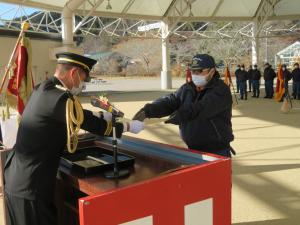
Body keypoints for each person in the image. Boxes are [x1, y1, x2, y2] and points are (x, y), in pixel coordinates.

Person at [3, 52, 144, 225]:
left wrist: (101, 114)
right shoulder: (61, 98)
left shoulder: (43, 88)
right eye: (84, 78)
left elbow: (75, 114)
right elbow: (94, 126)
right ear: (74, 73)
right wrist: (129, 126)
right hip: (32, 184)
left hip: (17, 178)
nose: (82, 84)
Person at [132, 54, 234, 157]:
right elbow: (170, 101)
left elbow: (201, 108)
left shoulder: (221, 91)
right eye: (193, 71)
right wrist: (148, 110)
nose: (195, 74)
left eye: (199, 71)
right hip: (192, 150)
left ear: (212, 71)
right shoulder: (187, 89)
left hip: (216, 152)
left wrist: (182, 115)